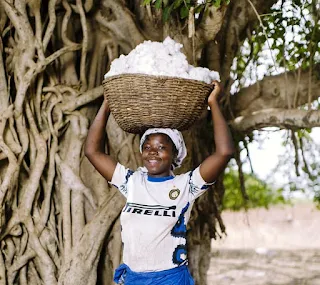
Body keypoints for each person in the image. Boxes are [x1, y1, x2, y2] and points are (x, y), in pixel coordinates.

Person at [84, 80, 235, 284]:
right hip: (134, 278)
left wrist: (213, 103)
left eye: (161, 147)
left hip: (169, 279)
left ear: (174, 154)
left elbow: (224, 152)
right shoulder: (132, 182)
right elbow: (92, 152)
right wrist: (106, 104)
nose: (152, 152)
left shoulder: (186, 186)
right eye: (147, 147)